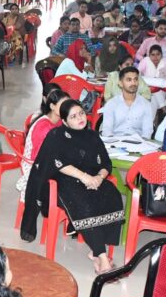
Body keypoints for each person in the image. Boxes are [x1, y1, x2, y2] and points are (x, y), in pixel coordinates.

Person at [23, 100, 124, 273]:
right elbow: (58, 163)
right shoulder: (57, 136)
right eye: (73, 116)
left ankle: (95, 252)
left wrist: (99, 178)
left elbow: (106, 162)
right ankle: (102, 257)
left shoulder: (92, 135)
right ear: (64, 121)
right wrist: (85, 178)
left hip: (93, 179)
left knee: (113, 196)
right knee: (85, 205)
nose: (80, 118)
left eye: (82, 113)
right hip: (65, 182)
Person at [17, 87, 69, 200]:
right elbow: (42, 158)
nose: (67, 108)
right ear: (52, 106)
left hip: (49, 160)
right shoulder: (43, 127)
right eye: (63, 104)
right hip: (36, 166)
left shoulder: (59, 120)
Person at [100, 67, 154, 139]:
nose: (133, 83)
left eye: (135, 79)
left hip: (138, 144)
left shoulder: (146, 105)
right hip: (116, 143)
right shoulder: (111, 104)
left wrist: (142, 145)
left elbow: (147, 132)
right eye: (129, 80)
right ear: (120, 83)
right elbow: (107, 131)